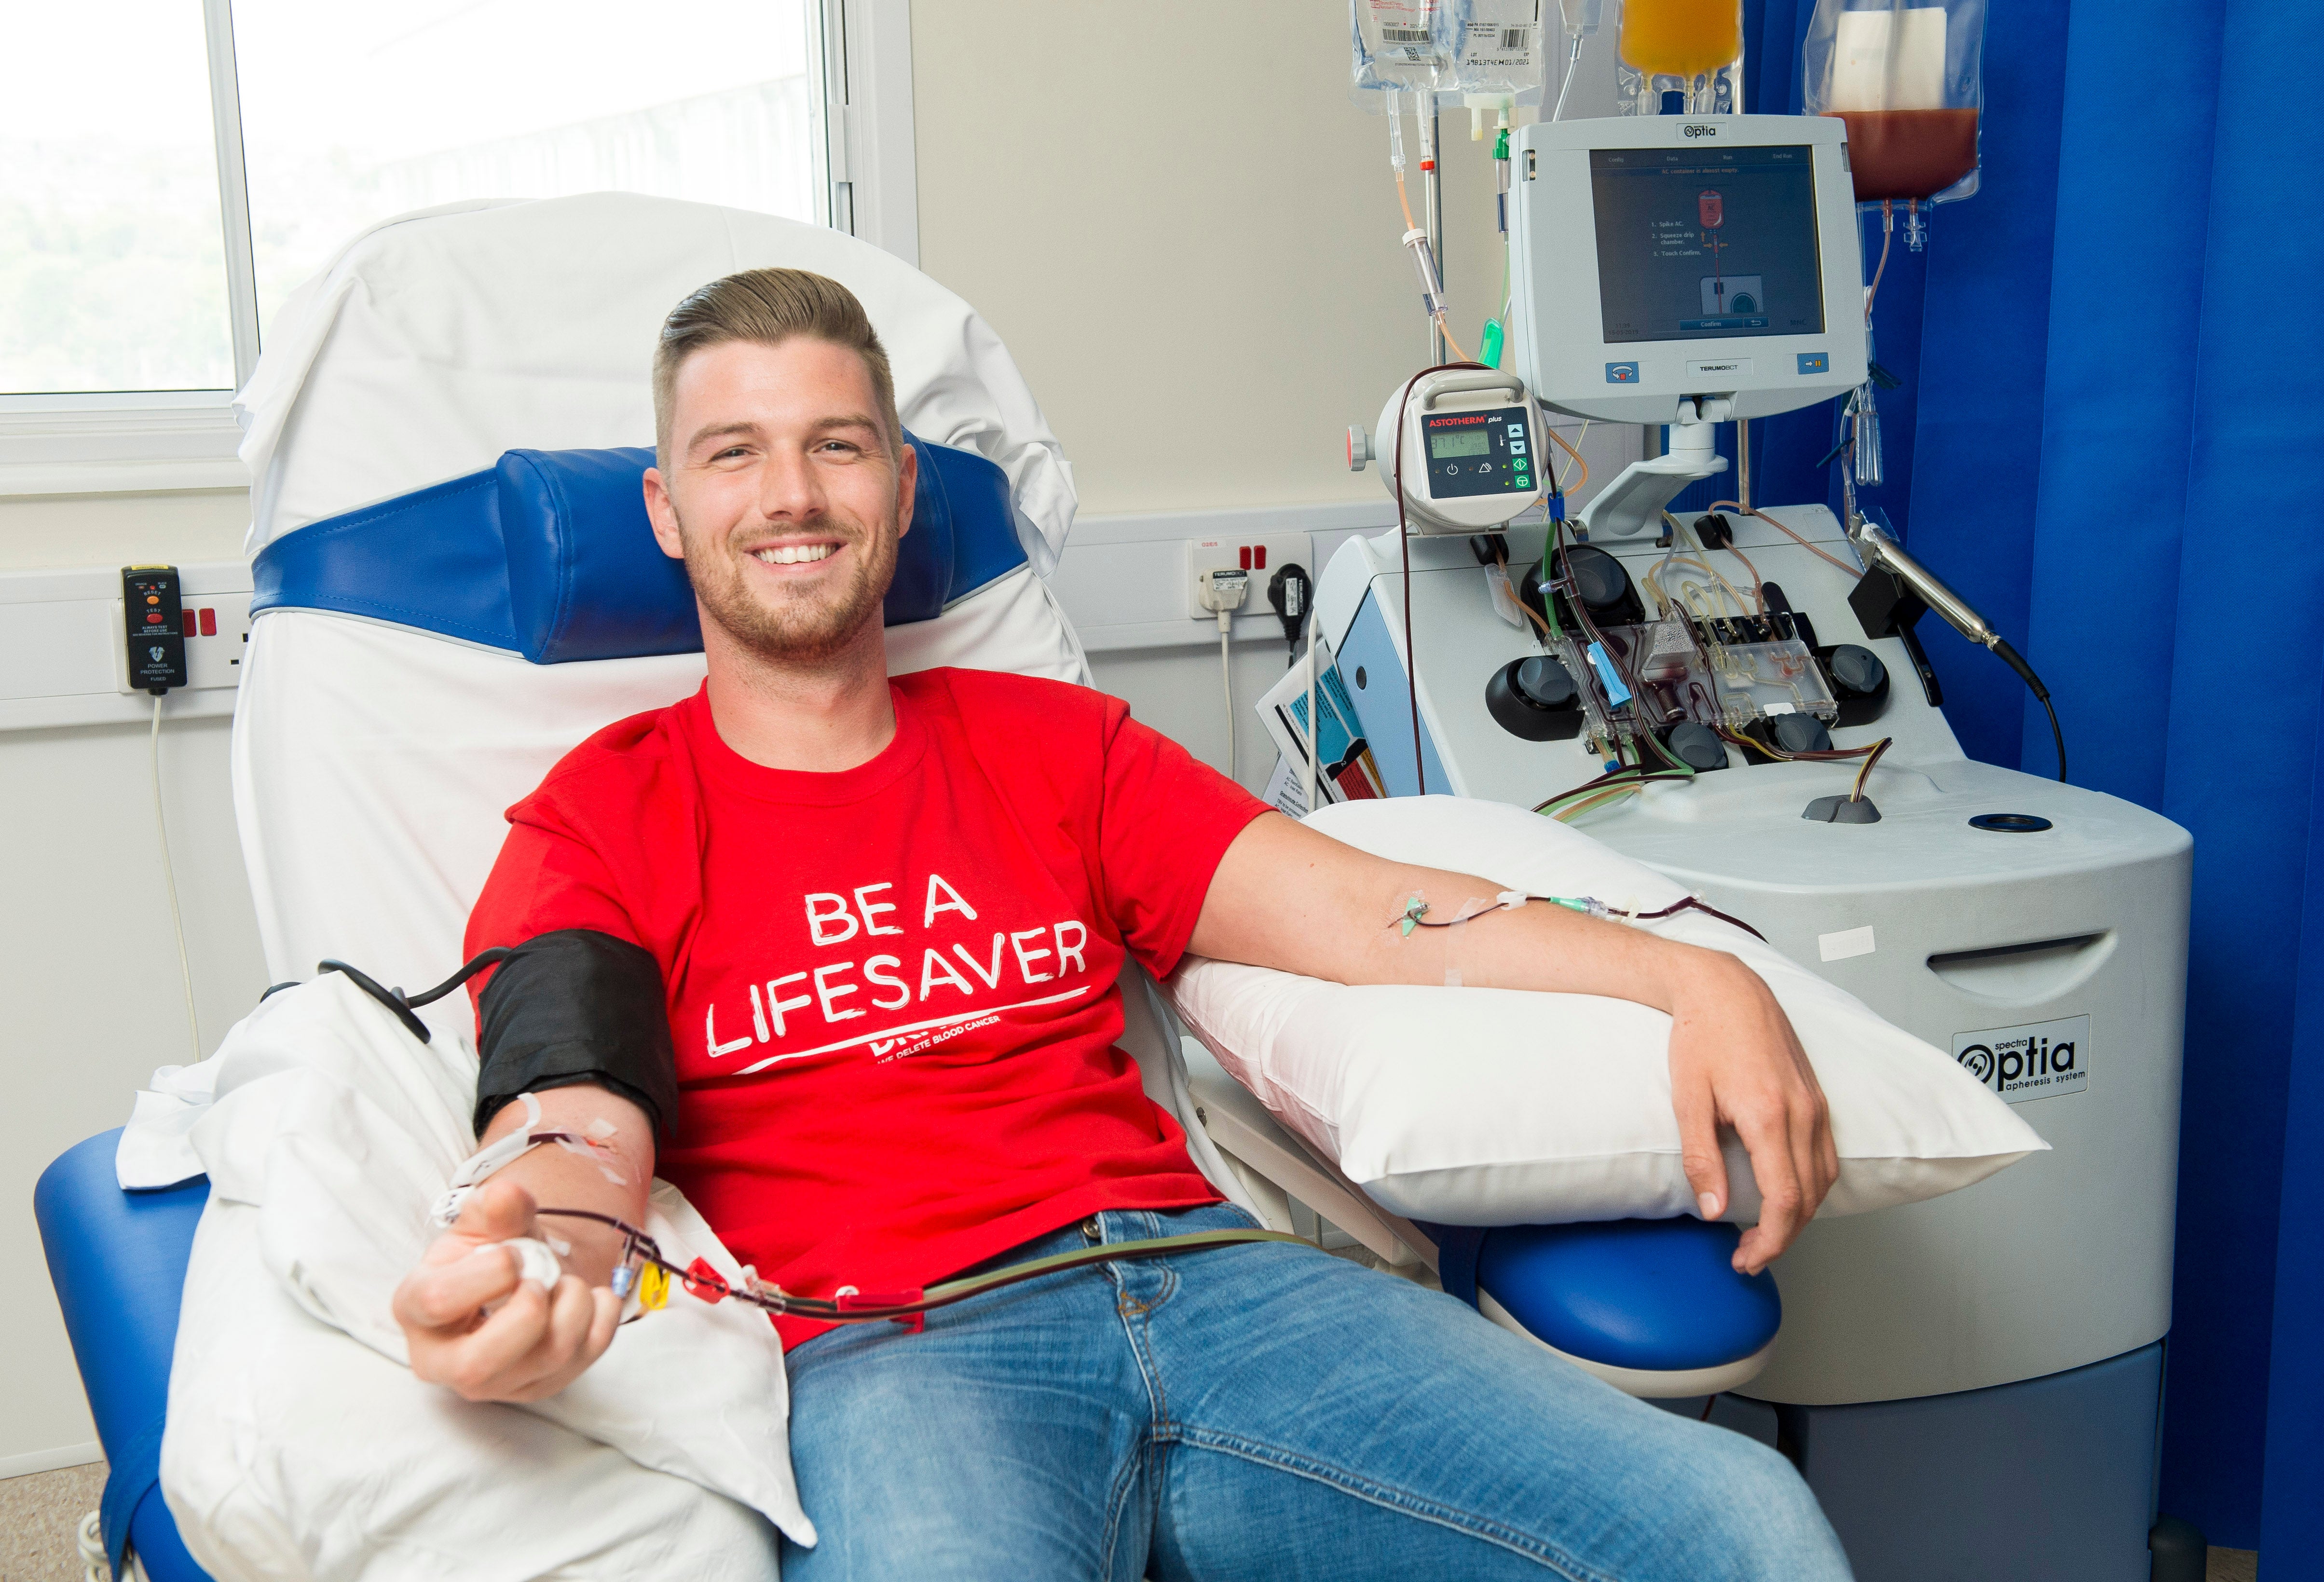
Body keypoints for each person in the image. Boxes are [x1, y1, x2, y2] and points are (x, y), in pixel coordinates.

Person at [391, 267, 1850, 1581]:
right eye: (735, 453)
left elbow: (1372, 913)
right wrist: (541, 1249)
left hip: (1216, 1285)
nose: (792, 495)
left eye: (836, 445)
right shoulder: (598, 820)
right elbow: (577, 1117)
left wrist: (1690, 977)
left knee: (1747, 1527)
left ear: (901, 486)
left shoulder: (1055, 748)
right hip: (895, 1352)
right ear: (664, 509)